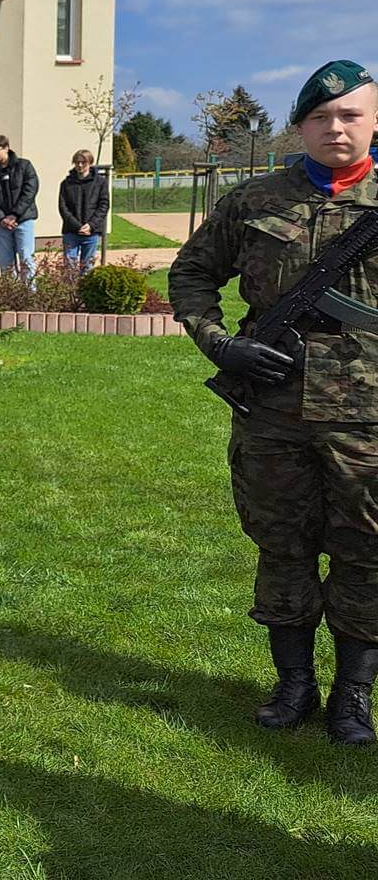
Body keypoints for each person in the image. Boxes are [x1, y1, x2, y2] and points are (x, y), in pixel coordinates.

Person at [169, 60, 378, 746]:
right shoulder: (257, 199)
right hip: (272, 408)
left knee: (367, 553)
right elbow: (193, 272)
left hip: (368, 417)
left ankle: (352, 698)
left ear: (373, 122)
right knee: (281, 547)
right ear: (300, 126)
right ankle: (293, 686)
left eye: (350, 115)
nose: (335, 129)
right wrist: (219, 344)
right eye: (320, 117)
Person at [0, 135, 39, 278]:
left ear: (7, 148)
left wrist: (14, 215)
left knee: (26, 258)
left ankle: (30, 296)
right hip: (0, 224)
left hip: (23, 220)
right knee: (6, 263)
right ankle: (10, 296)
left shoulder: (24, 166)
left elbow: (30, 191)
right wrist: (1, 218)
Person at [58, 149, 108, 268]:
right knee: (69, 268)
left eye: (83, 162)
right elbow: (63, 207)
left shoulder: (100, 183)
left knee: (87, 267)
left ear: (90, 163)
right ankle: (71, 287)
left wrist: (91, 225)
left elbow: (103, 205)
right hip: (71, 231)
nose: (80, 165)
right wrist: (77, 226)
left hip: (91, 232)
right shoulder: (66, 183)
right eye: (77, 162)